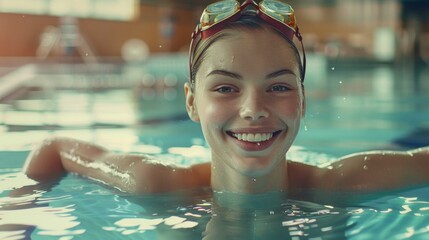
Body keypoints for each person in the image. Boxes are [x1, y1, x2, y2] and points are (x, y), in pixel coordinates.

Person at [23, 0, 429, 201]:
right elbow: (53, 148)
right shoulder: (156, 184)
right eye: (225, 88)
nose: (253, 108)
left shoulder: (336, 185)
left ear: (303, 101)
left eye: (280, 86)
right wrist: (17, 216)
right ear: (191, 102)